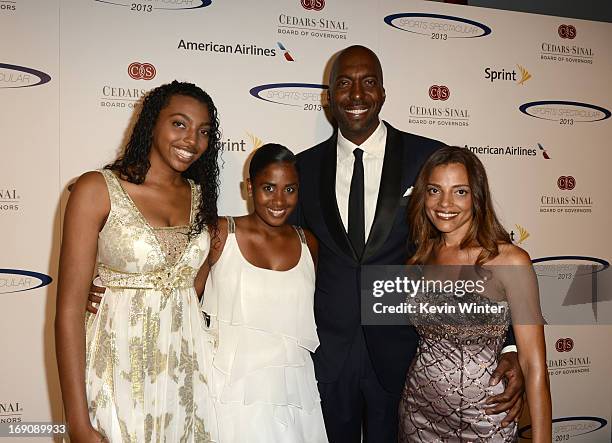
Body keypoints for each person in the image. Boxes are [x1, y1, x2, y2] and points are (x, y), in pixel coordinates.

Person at [290, 45, 526, 442]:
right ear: (328, 97)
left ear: (383, 92)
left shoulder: (427, 157)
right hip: (328, 351)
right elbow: (287, 257)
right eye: (344, 83)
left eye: (369, 82)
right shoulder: (303, 167)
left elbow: (480, 246)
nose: (357, 94)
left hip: (405, 349)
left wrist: (509, 346)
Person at [55, 81, 221, 442]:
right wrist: (77, 423)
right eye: (179, 123)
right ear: (151, 123)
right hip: (114, 372)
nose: (192, 140)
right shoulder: (96, 189)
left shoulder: (201, 197)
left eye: (203, 131)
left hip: (185, 380)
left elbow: (196, 287)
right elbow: (68, 313)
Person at [398, 146, 551, 442]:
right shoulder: (421, 256)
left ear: (477, 196)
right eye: (434, 190)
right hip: (417, 412)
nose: (444, 203)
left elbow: (534, 365)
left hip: (485, 417)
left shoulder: (510, 261)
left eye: (460, 192)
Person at [201, 144, 328, 442]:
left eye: (290, 189)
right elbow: (181, 295)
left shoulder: (308, 242)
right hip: (229, 389)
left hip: (293, 391)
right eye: (268, 188)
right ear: (249, 187)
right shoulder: (219, 233)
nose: (279, 200)